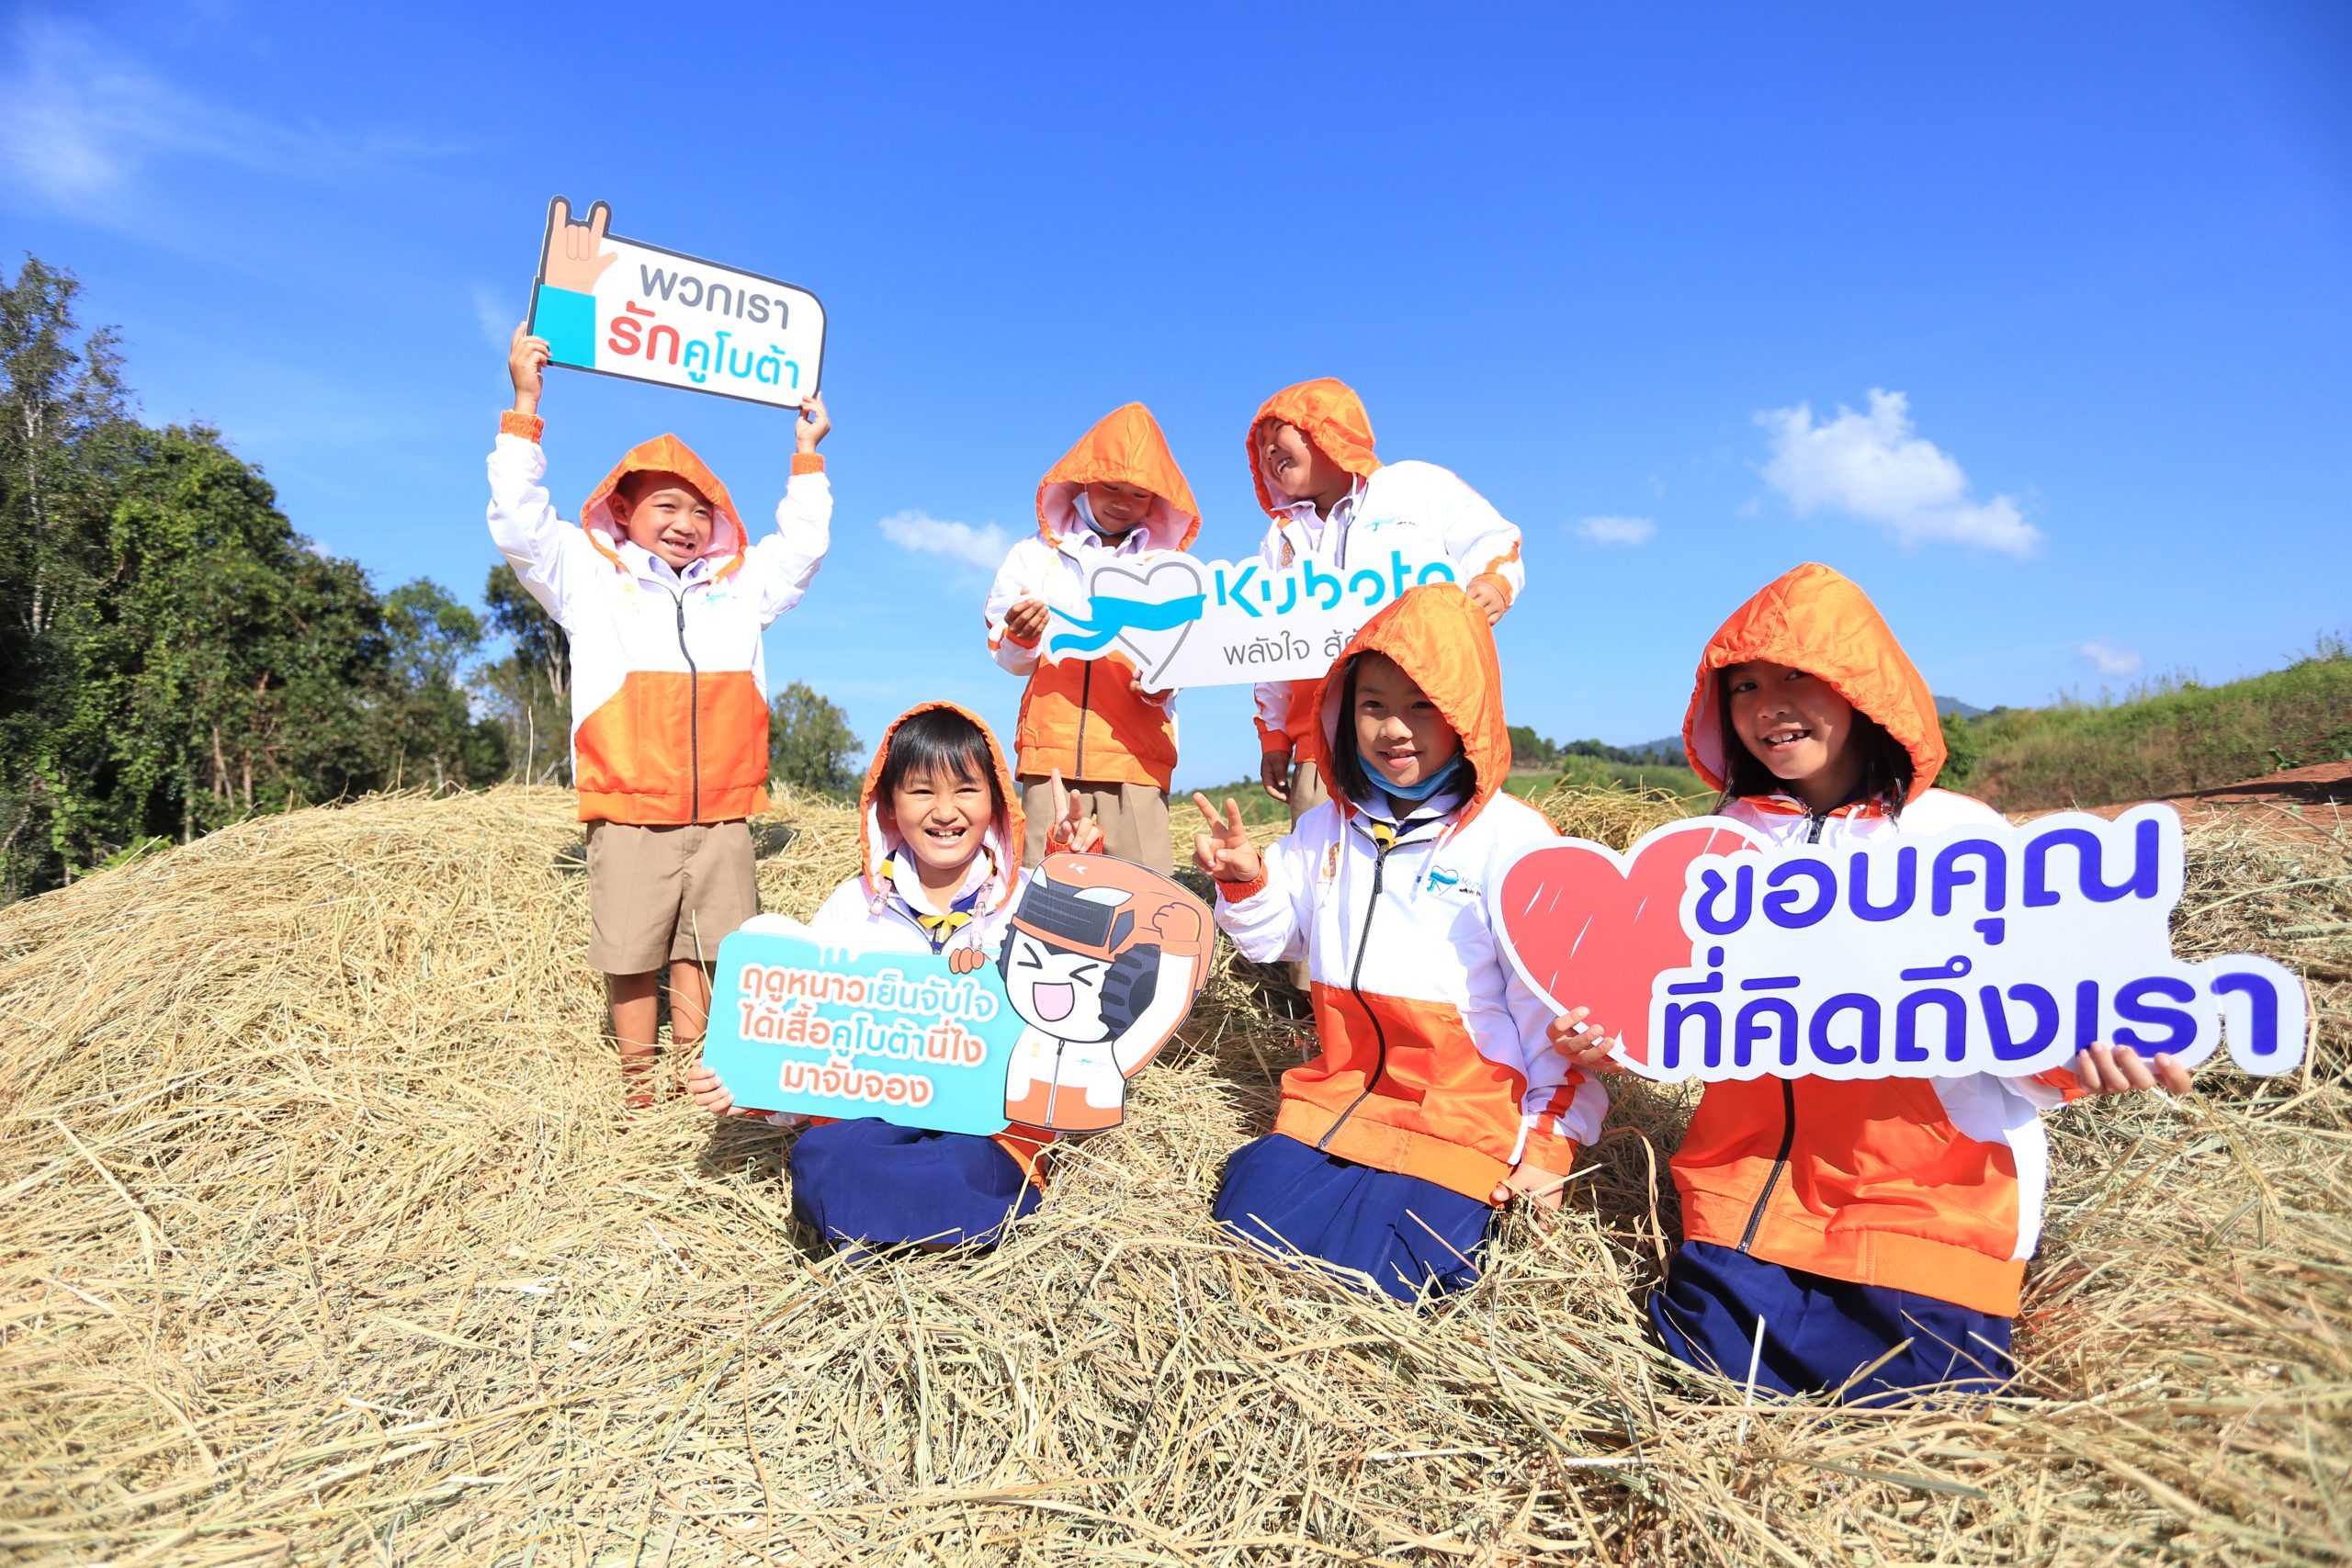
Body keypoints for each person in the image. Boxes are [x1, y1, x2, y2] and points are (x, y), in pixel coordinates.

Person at [1552, 561, 2194, 1403]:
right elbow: (1676, 1015)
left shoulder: (1960, 838)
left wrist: (2081, 1053)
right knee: (1699, 1389)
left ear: (1863, 689)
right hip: (1748, 1209)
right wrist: (1604, 1040)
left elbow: (2017, 1025)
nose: (1767, 707)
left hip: (1924, 1215)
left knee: (1921, 1408)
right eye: (1744, 686)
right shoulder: (1711, 849)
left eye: (1798, 678)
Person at [1193, 582, 1600, 1303]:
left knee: (1381, 1273)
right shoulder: (1325, 827)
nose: (1395, 728)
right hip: (1338, 1101)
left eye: (1424, 705)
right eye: (1374, 704)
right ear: (1343, 713)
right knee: (1244, 1222)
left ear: (1468, 715)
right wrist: (1246, 881)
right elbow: (1271, 939)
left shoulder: (1515, 840)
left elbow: (1557, 1021)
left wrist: (1548, 1146)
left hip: (1459, 1122)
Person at [489, 323, 831, 1109]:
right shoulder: (586, 573)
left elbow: (802, 547)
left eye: (701, 511)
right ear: (624, 512)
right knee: (632, 946)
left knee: (707, 947)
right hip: (631, 800)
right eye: (665, 506)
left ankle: (693, 1067)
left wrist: (807, 457)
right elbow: (518, 524)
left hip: (723, 808)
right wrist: (524, 407)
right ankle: (638, 1081)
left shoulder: (740, 588)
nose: (684, 522)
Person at [684, 704, 1102, 1253]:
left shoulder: (1030, 899)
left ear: (997, 802)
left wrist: (1077, 876)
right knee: (830, 1156)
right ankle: (910, 1219)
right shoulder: (849, 907)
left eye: (966, 790)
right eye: (922, 791)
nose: (945, 811)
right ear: (887, 806)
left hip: (983, 1126)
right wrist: (749, 1085)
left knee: (972, 1162)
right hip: (871, 1115)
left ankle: (907, 1219)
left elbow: (1087, 997)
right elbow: (806, 1032)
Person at [1242, 378, 1526, 824]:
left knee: (1447, 847)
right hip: (1323, 742)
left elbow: (1493, 537)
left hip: (1429, 719)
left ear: (1324, 429)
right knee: (1325, 862)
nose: (1268, 453)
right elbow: (1267, 637)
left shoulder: (1414, 485)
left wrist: (1493, 582)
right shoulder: (1278, 539)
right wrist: (1275, 737)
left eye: (1277, 435)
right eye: (1260, 449)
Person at [984, 402, 1202, 873]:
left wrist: (1164, 681)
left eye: (1140, 494)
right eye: (1111, 487)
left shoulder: (1171, 570)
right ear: (1083, 479)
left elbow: (1191, 649)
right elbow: (1009, 654)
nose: (1124, 502)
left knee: (1141, 897)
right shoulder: (1033, 556)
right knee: (1048, 893)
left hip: (1135, 758)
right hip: (1051, 758)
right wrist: (1021, 637)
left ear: (1160, 500)